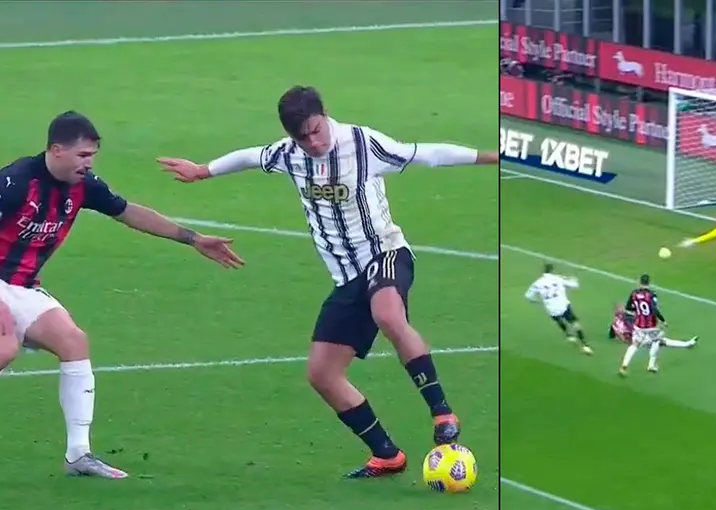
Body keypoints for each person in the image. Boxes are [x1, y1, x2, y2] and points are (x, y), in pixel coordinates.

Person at [156, 86, 499, 479]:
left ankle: (442, 413)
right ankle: (387, 455)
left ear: (325, 116)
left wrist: (492, 157)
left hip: (385, 253)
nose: (313, 142)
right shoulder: (289, 155)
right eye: (302, 137)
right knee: (322, 375)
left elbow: (428, 154)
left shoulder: (363, 143)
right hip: (347, 276)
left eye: (316, 131)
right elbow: (252, 156)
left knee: (388, 313)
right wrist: (204, 170)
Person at [0, 111, 244, 479]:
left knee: (73, 342)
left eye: (92, 155)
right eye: (83, 155)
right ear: (56, 150)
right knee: (5, 346)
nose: (89, 163)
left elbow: (129, 212)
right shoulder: (16, 181)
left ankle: (78, 455)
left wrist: (193, 239)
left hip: (23, 286)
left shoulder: (84, 186)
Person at [619, 274, 697, 376]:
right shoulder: (651, 294)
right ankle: (651, 365)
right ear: (649, 283)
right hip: (651, 326)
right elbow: (654, 309)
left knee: (634, 345)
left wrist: (638, 310)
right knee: (657, 341)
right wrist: (663, 320)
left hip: (639, 326)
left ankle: (624, 365)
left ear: (639, 282)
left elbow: (628, 307)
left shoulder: (634, 294)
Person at [524, 263, 592, 355]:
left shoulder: (537, 283)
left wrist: (538, 302)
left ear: (544, 272)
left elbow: (528, 296)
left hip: (550, 307)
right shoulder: (558, 278)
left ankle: (568, 335)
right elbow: (575, 285)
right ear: (552, 271)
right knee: (574, 322)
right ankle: (585, 345)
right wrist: (573, 278)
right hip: (563, 305)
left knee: (558, 319)